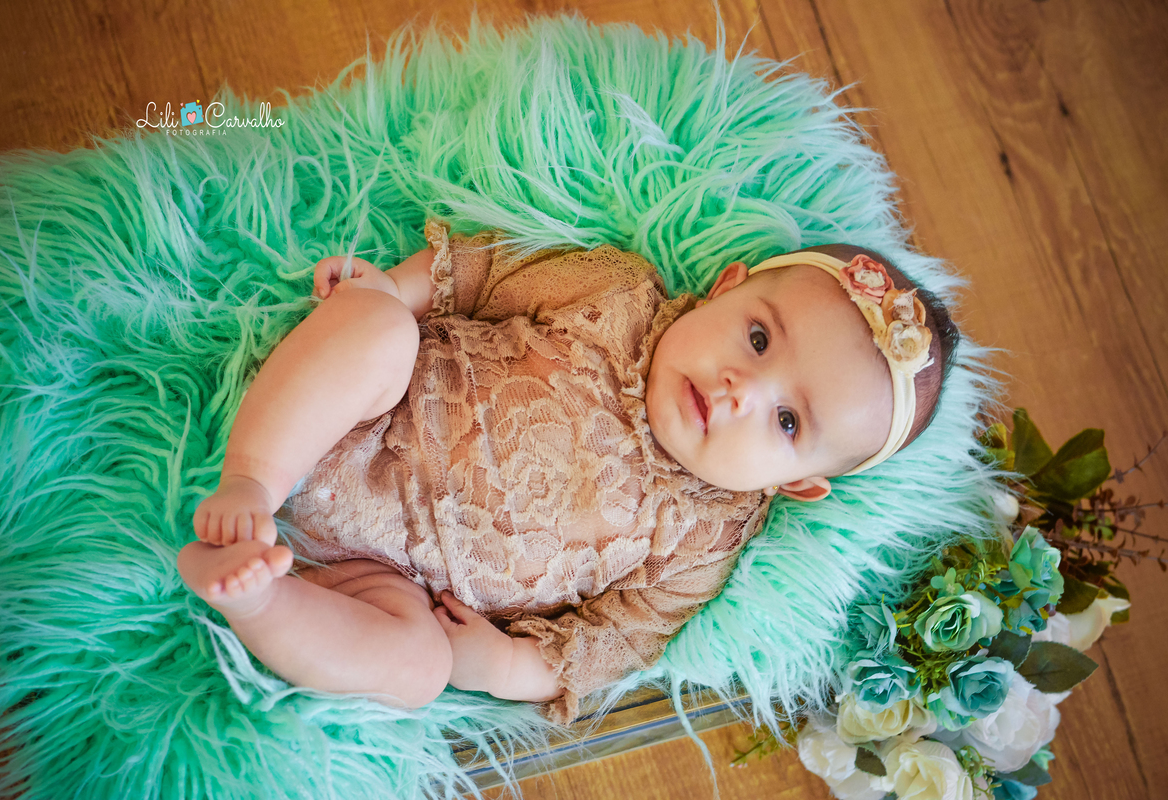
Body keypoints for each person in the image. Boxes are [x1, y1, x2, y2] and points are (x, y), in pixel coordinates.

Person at [176, 218, 958, 724]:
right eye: (757, 338)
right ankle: (253, 478)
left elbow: (616, 639)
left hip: (388, 580)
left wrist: (511, 665)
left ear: (795, 485)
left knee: (420, 667)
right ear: (726, 287)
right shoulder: (616, 294)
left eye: (788, 422)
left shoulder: (704, 543)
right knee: (375, 330)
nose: (741, 390)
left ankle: (259, 596)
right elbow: (482, 270)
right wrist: (394, 288)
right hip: (370, 415)